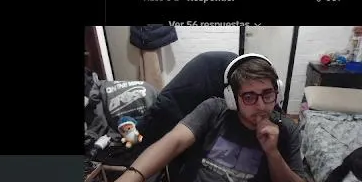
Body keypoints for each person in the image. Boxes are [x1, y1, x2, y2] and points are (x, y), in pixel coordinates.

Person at [114, 54, 307, 182]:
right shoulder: (214, 110)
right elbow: (174, 141)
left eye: (267, 94)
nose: (261, 106)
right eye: (249, 97)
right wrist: (132, 175)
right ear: (232, 98)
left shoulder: (286, 129)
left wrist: (273, 153)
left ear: (278, 93)